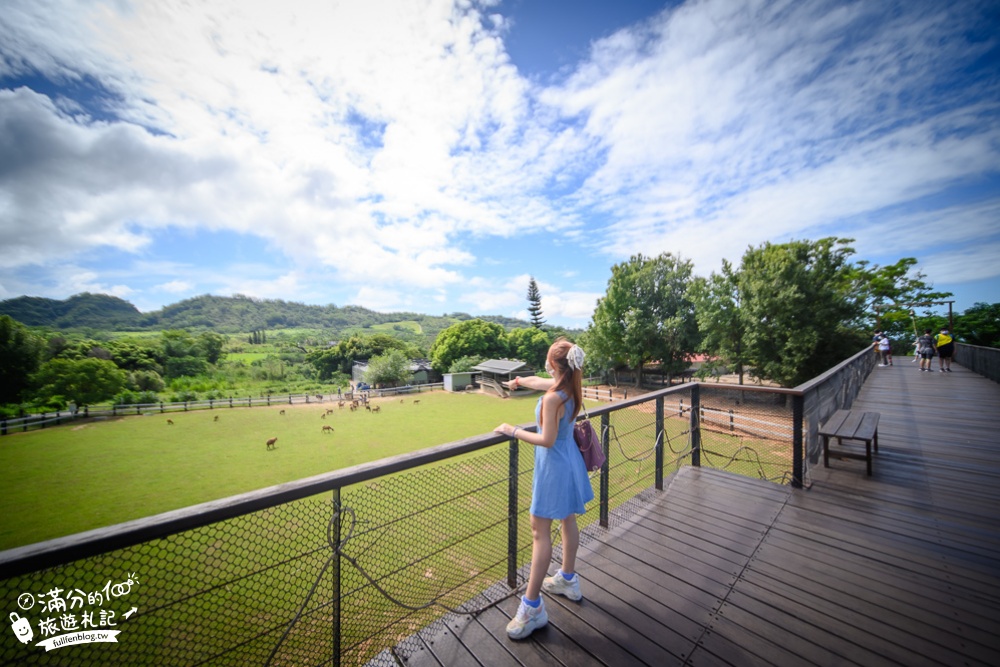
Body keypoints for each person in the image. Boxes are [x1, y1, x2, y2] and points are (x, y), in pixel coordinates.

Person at [494, 338, 594, 640]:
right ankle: (567, 578)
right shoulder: (570, 388)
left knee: (539, 532)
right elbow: (543, 383)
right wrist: (521, 380)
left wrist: (514, 431)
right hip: (570, 463)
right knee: (568, 519)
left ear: (553, 365)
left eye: (547, 361)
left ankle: (532, 606)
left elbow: (547, 440)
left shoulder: (554, 399)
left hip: (554, 468)